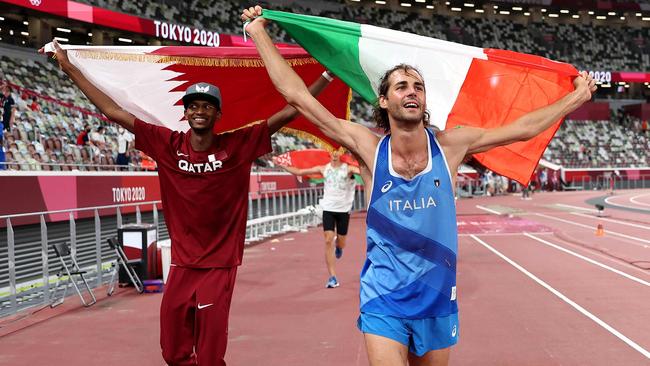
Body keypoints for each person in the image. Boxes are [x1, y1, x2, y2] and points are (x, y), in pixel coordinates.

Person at [242, 6, 596, 365]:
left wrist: (575, 98)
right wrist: (258, 33)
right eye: (401, 86)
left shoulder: (450, 146)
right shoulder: (368, 148)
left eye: (418, 87)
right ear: (383, 100)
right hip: (384, 297)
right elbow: (298, 97)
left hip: (436, 296)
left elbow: (522, 128)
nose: (412, 92)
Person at [43, 38, 335, 365]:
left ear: (218, 113)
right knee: (173, 351)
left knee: (209, 355)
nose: (199, 111)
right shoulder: (166, 144)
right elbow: (112, 111)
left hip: (219, 265)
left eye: (207, 106)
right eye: (193, 106)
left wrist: (327, 76)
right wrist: (68, 67)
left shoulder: (238, 145)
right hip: (182, 264)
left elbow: (290, 110)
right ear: (185, 112)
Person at [275, 149, 359, 288]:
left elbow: (363, 171)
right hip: (328, 209)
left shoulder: (348, 169)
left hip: (343, 210)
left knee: (341, 242)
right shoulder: (323, 168)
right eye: (332, 151)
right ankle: (333, 277)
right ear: (329, 154)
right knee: (327, 240)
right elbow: (299, 172)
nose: (334, 154)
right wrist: (280, 163)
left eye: (337, 151)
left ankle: (339, 246)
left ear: (341, 153)